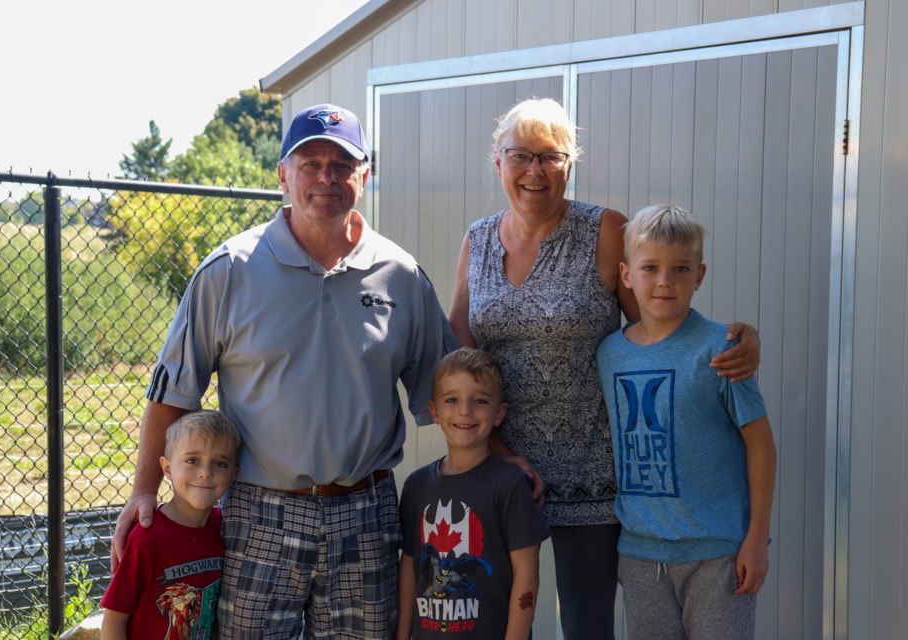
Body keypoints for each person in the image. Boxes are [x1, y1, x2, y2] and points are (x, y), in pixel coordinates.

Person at [110, 103, 457, 639]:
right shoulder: (230, 270)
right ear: (282, 174)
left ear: (365, 176)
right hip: (260, 513)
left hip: (364, 511)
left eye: (342, 165)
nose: (326, 177)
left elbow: (451, 393)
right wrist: (142, 491)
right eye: (310, 162)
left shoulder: (401, 277)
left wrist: (497, 465)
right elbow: (174, 390)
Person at [447, 97, 762, 639]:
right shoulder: (476, 240)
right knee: (488, 612)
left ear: (571, 164)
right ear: (497, 161)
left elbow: (661, 327)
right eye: (520, 155)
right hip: (499, 464)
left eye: (552, 157)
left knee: (587, 624)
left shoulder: (604, 229)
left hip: (596, 472)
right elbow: (459, 343)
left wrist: (736, 339)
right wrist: (497, 451)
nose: (535, 171)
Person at [595, 204, 777, 639]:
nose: (664, 281)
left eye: (680, 269)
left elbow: (761, 445)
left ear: (699, 275)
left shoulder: (723, 348)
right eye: (650, 268)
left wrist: (756, 538)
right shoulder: (608, 354)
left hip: (717, 553)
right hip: (640, 555)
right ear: (626, 274)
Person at [396, 347, 550, 640]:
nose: (465, 410)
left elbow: (527, 576)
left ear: (499, 414)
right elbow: (409, 568)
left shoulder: (510, 484)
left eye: (479, 400)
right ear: (434, 412)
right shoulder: (417, 486)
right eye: (452, 400)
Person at [101, 410, 241, 640]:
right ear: (167, 468)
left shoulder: (225, 528)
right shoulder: (147, 536)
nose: (205, 473)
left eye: (220, 463)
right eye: (192, 460)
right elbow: (114, 618)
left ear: (234, 474)